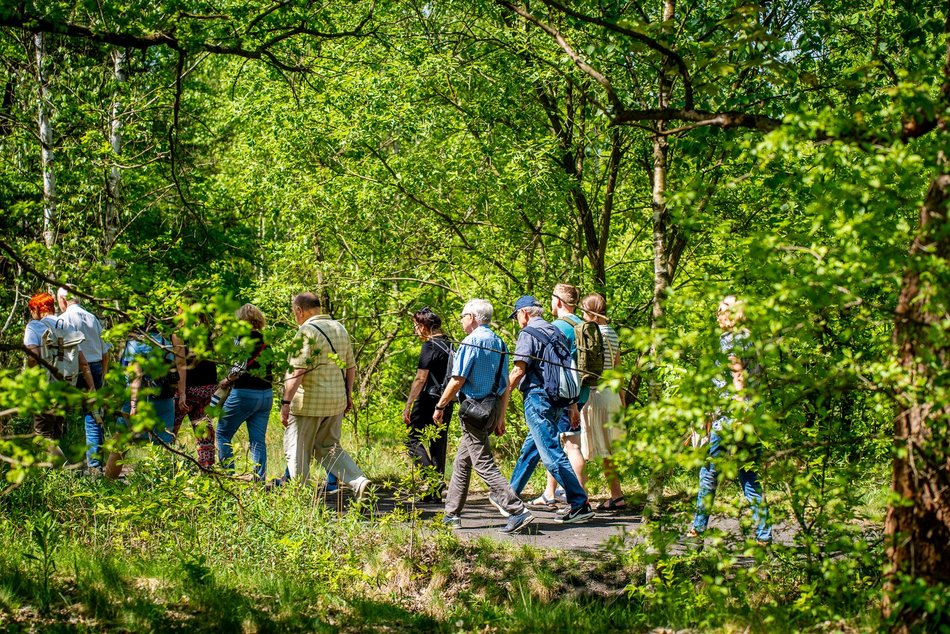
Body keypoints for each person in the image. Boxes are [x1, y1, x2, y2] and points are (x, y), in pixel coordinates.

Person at [435, 299, 533, 533]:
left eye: (462, 315)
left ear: (472, 317)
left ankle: (517, 510)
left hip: (473, 411)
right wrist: (501, 417)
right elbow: (504, 386)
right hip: (492, 409)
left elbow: (457, 379)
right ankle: (452, 514)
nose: (461, 320)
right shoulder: (499, 342)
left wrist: (440, 405)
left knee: (483, 463)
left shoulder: (471, 342)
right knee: (462, 461)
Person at [687, 295, 772, 544]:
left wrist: (735, 413)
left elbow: (738, 377)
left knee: (709, 474)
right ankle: (764, 534)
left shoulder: (730, 340)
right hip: (751, 416)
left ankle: (698, 529)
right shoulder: (750, 338)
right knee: (749, 475)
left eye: (721, 310)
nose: (717, 314)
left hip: (730, 419)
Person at [505, 295, 594, 523]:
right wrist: (572, 405)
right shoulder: (555, 331)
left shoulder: (527, 334)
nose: (517, 321)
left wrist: (502, 397)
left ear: (524, 313)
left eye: (516, 316)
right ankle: (508, 496)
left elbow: (518, 370)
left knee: (551, 454)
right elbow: (567, 369)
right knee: (532, 448)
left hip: (538, 399)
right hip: (559, 400)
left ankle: (579, 503)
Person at [280, 292, 371, 496]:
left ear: (299, 311)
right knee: (329, 448)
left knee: (297, 451)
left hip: (307, 405)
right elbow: (350, 367)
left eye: (294, 312)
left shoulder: (306, 332)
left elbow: (297, 371)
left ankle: (300, 497)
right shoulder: (340, 328)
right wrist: (348, 395)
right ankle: (359, 481)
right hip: (336, 402)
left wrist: (285, 402)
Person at [23, 292, 95, 461]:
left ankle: (64, 470)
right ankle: (53, 477)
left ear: (36, 309)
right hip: (66, 386)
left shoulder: (34, 327)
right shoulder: (68, 327)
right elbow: (83, 362)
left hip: (44, 388)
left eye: (32, 311)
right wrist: (91, 386)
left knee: (42, 436)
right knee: (55, 432)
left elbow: (33, 358)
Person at [578, 293, 625, 509]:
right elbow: (618, 369)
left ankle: (581, 498)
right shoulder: (613, 334)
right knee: (608, 450)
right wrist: (622, 399)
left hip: (593, 394)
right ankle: (617, 495)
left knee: (581, 447)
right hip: (611, 395)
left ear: (590, 312)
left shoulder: (589, 333)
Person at [216, 303, 273, 481]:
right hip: (266, 395)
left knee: (222, 433)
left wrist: (225, 381)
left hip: (244, 394)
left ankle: (228, 477)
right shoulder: (265, 341)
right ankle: (259, 482)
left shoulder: (241, 338)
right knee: (257, 441)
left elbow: (238, 367)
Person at [56, 288, 112, 471]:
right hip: (95, 367)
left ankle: (63, 461)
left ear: (63, 300)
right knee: (93, 414)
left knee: (59, 411)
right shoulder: (92, 318)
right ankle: (95, 465)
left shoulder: (64, 320)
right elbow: (106, 352)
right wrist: (102, 375)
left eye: (58, 300)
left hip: (74, 369)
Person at [402, 307, 453, 502]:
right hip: (446, 399)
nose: (416, 330)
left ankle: (432, 480)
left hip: (428, 399)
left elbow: (420, 378)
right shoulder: (450, 344)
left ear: (424, 326)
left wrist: (408, 404)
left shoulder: (430, 346)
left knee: (411, 439)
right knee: (437, 442)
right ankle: (434, 490)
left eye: (416, 326)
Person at [171, 309, 217, 469]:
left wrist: (182, 392)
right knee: (204, 432)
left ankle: (165, 468)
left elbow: (181, 365)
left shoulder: (179, 333)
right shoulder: (206, 332)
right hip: (208, 388)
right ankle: (207, 468)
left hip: (189, 389)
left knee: (170, 431)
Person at [119, 326, 177, 444]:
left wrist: (133, 406)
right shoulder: (166, 343)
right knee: (164, 440)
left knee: (121, 439)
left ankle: (107, 463)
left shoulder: (135, 344)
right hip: (165, 396)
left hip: (142, 396)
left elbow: (137, 376)